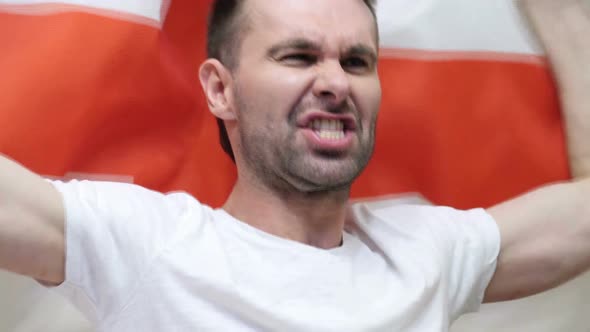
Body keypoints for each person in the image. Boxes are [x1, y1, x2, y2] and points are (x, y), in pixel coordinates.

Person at [0, 0, 588, 330]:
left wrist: (565, 17)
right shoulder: (142, 242)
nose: (334, 82)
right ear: (220, 89)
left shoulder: (428, 252)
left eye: (357, 62)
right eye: (297, 56)